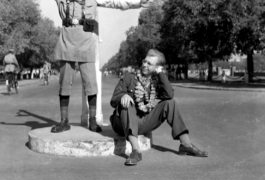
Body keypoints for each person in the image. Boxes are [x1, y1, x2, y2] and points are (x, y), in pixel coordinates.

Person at [52, 0, 154, 133]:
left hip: (86, 42)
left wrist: (139, 2)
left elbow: (115, 2)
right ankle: (64, 121)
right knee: (64, 83)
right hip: (66, 41)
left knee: (90, 83)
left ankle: (92, 120)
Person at [110, 49, 208, 166]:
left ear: (156, 67)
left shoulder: (156, 81)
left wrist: (161, 74)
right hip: (121, 123)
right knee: (127, 103)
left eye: (149, 64)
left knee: (170, 103)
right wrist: (123, 96)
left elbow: (169, 95)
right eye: (144, 61)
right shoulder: (129, 77)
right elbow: (113, 100)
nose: (144, 65)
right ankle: (136, 151)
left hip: (142, 122)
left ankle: (185, 145)